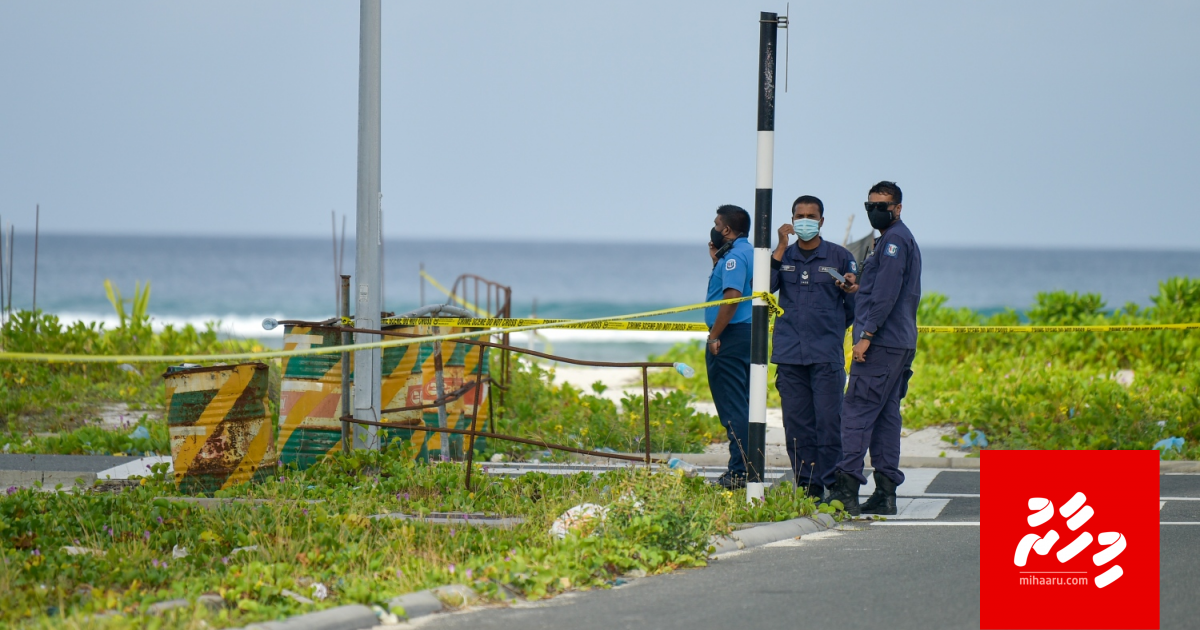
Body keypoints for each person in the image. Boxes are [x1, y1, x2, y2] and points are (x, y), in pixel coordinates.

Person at [825, 181, 922, 516]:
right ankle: (885, 492)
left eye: (883, 205)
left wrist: (866, 334)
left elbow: (885, 296)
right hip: (899, 341)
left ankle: (846, 490)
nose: (876, 211)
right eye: (871, 205)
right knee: (885, 416)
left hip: (882, 342)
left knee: (857, 412)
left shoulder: (894, 240)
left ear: (897, 207)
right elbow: (879, 288)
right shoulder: (894, 239)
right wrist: (856, 286)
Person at [770, 195, 857, 502]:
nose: (805, 220)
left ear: (821, 221)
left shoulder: (839, 256)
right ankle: (808, 486)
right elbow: (765, 288)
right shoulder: (783, 256)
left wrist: (830, 328)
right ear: (792, 220)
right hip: (789, 354)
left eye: (811, 216)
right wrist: (779, 247)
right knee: (797, 424)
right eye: (799, 216)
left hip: (825, 355)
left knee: (829, 422)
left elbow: (852, 306)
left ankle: (833, 485)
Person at [705, 204, 754, 489]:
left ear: (725, 229)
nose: (713, 227)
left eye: (716, 223)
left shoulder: (735, 257)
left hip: (730, 337)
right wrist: (715, 262)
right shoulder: (749, 252)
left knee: (732, 407)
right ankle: (746, 466)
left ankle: (738, 472)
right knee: (743, 404)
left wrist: (715, 335)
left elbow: (732, 297)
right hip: (745, 335)